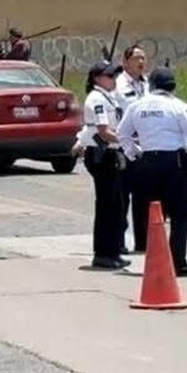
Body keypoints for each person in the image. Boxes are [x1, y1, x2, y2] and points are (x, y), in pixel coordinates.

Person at [116, 67, 187, 277]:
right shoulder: (178, 107)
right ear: (172, 86)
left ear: (152, 85)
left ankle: (154, 261)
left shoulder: (137, 105)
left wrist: (135, 154)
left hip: (147, 164)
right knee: (180, 216)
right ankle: (178, 262)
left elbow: (122, 134)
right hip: (174, 164)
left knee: (154, 216)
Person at [75, 61, 129, 270]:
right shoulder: (97, 98)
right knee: (107, 205)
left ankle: (113, 251)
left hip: (110, 154)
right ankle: (103, 254)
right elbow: (104, 131)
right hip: (101, 155)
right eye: (109, 76)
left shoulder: (109, 96)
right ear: (97, 78)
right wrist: (129, 143)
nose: (113, 79)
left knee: (116, 205)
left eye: (115, 76)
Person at [116, 45, 148, 253]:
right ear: (125, 62)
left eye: (143, 58)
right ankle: (118, 241)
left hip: (146, 147)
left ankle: (143, 241)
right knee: (121, 197)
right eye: (137, 58)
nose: (141, 62)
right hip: (125, 145)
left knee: (144, 197)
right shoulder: (117, 85)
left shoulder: (149, 85)